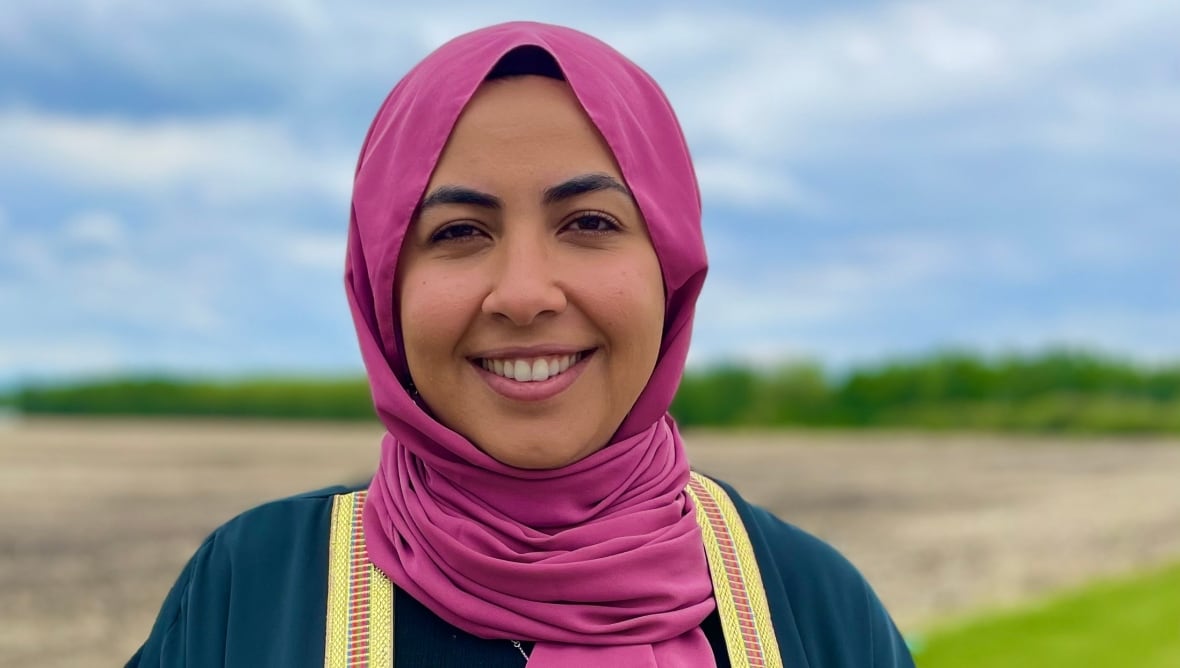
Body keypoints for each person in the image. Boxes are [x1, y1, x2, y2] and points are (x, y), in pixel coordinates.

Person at [127, 21, 915, 667]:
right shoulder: (254, 590)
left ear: (669, 269)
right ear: (381, 284)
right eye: (460, 232)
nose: (526, 294)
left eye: (590, 224)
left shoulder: (815, 609)